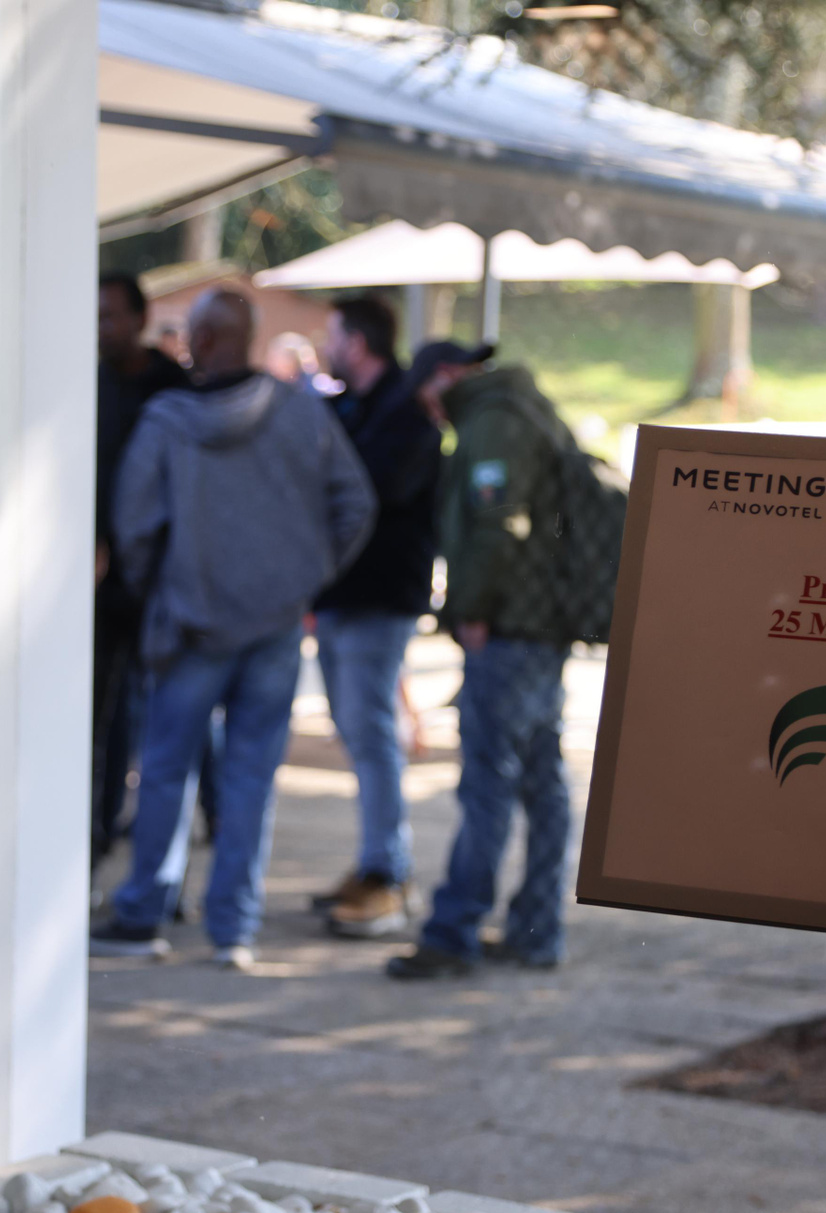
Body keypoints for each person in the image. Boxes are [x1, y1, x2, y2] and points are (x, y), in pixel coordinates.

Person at [93, 287, 376, 968]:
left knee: (166, 770)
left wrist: (161, 587)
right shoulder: (299, 413)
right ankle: (234, 928)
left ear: (204, 340)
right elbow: (354, 503)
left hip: (191, 625)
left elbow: (132, 524)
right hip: (273, 624)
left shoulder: (167, 421)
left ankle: (144, 913)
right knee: (251, 777)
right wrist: (305, 576)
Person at [386, 342, 581, 979]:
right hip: (542, 627)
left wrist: (471, 608)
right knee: (542, 784)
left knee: (488, 787)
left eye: (427, 398)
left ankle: (453, 933)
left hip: (508, 629)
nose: (431, 415)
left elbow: (498, 523)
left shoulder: (493, 420)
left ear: (444, 378)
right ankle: (536, 930)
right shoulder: (529, 410)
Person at [309, 295, 442, 938]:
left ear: (357, 344)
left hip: (378, 601)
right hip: (339, 597)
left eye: (333, 336)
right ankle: (377, 865)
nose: (325, 347)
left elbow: (368, 491)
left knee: (372, 732)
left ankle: (388, 875)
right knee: (358, 732)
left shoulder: (406, 415)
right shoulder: (354, 408)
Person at [94, 271, 190, 868]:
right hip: (103, 581)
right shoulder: (89, 384)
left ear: (139, 318)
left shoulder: (175, 390)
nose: (101, 329)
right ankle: (98, 834)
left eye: (109, 316)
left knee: (176, 721)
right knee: (102, 716)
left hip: (165, 581)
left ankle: (167, 865)